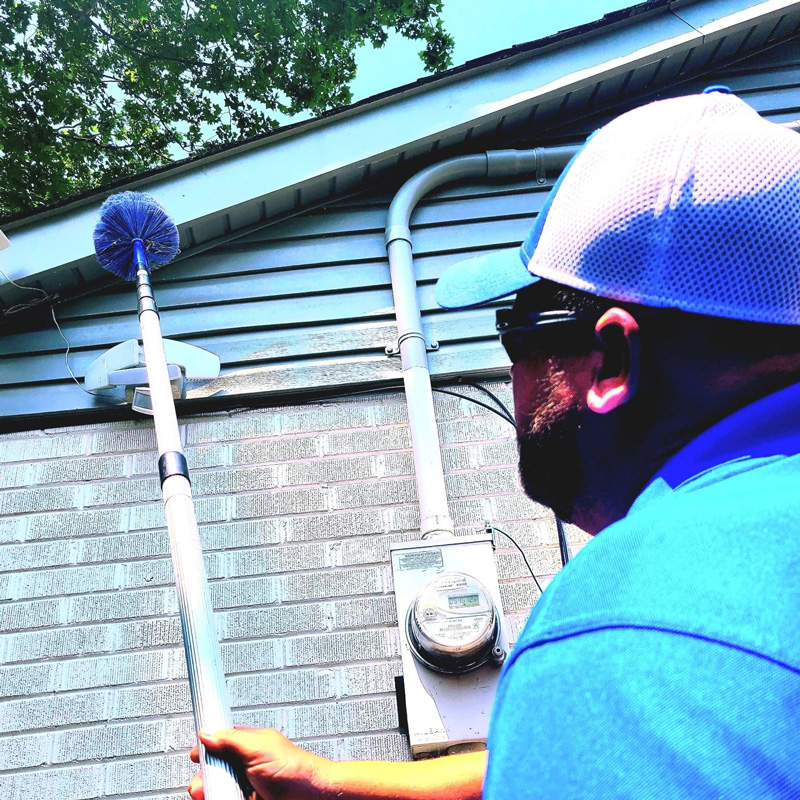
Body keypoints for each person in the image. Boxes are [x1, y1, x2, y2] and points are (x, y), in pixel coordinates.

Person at [189, 90, 800, 799]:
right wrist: (328, 784)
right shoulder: (697, 662)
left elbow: (627, 700)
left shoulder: (627, 627)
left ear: (611, 364)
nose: (511, 370)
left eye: (518, 330)